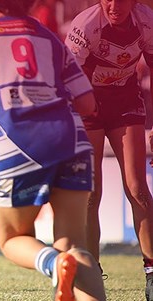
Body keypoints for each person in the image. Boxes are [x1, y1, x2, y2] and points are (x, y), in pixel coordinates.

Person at [0, 0, 107, 300]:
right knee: (74, 245)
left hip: (18, 143)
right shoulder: (52, 40)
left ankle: (54, 263)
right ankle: (65, 259)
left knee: (13, 239)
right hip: (72, 141)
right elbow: (87, 102)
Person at [64, 1, 153, 299]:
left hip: (126, 102)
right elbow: (67, 81)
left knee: (137, 187)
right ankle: (92, 275)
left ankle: (152, 271)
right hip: (87, 106)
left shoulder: (146, 19)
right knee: (91, 194)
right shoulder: (84, 26)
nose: (115, 6)